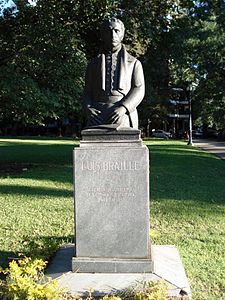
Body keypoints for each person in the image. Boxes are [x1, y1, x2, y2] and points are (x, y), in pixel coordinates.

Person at [83, 17, 145, 129]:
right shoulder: (93, 64)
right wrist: (88, 109)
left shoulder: (134, 63)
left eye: (116, 31)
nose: (112, 35)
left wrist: (123, 108)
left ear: (122, 34)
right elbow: (87, 91)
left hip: (123, 114)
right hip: (97, 115)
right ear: (102, 35)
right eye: (108, 31)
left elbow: (139, 89)